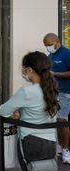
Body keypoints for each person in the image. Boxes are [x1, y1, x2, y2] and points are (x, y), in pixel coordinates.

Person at [0, 51, 58, 171]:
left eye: (25, 69)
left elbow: (3, 110)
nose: (24, 72)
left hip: (31, 142)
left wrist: (19, 114)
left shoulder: (28, 91)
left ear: (30, 69)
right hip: (50, 143)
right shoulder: (51, 88)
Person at [43, 33, 70, 163]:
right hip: (54, 93)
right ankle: (61, 147)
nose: (48, 47)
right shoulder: (51, 56)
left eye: (49, 44)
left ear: (56, 41)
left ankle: (66, 151)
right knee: (57, 122)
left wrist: (56, 74)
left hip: (66, 93)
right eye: (46, 45)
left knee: (62, 120)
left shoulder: (67, 53)